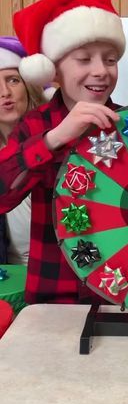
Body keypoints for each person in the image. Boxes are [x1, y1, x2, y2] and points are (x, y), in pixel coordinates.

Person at [0, 0, 125, 305]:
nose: (100, 71)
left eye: (110, 60)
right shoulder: (36, 124)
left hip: (119, 290)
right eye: (84, 59)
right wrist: (55, 138)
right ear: (53, 71)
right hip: (55, 295)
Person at [0, 36, 46, 265]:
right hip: (8, 276)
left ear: (28, 87)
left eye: (13, 80)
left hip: (52, 271)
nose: (4, 92)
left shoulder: (54, 143)